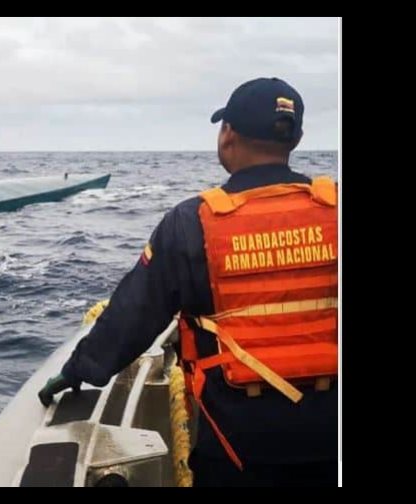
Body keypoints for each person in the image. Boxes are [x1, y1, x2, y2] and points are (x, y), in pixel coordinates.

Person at [38, 77, 338, 487]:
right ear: (297, 137)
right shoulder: (333, 210)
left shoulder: (192, 222)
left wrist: (79, 369)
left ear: (228, 133)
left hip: (237, 440)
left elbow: (133, 315)